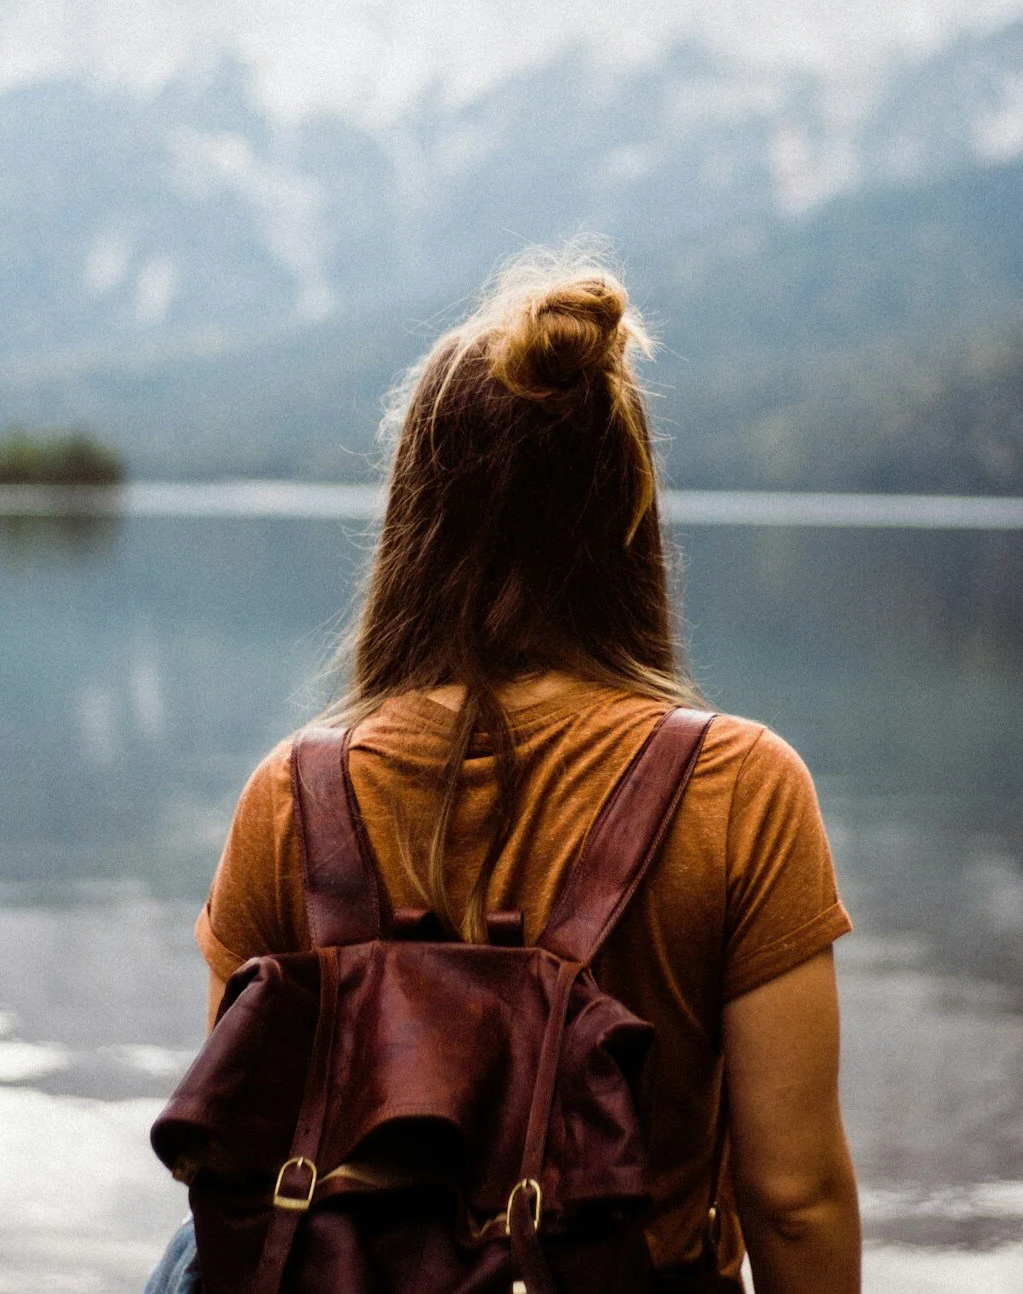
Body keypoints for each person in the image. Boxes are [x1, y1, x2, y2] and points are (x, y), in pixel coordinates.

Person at [176, 253, 863, 1293]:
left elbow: (243, 1155)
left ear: (413, 518)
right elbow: (794, 1198)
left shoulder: (294, 794)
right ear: (628, 512)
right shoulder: (740, 786)